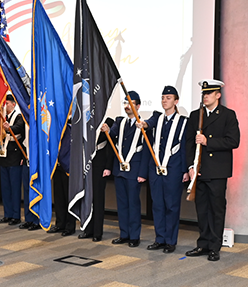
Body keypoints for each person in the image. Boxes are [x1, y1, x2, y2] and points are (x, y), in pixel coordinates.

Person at [184, 79, 240, 262]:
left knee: (216, 209)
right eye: (204, 93)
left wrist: (209, 142)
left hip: (217, 171)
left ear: (218, 95)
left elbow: (233, 141)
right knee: (202, 209)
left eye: (209, 93)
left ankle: (215, 246)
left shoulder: (227, 115)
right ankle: (203, 244)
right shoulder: (195, 116)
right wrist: (191, 167)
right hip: (200, 171)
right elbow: (188, 144)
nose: (205, 96)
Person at [140, 86, 189, 254]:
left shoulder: (183, 122)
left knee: (172, 206)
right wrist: (145, 124)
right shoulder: (157, 119)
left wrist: (184, 170)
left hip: (173, 169)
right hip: (156, 170)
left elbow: (184, 148)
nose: (164, 100)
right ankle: (159, 238)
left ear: (176, 101)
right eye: (163, 97)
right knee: (158, 206)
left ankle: (170, 241)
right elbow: (148, 124)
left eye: (168, 98)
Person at [102, 91, 147, 248]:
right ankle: (124, 234)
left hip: (134, 171)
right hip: (120, 170)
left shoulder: (144, 124)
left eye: (131, 103)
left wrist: (143, 173)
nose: (128, 106)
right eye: (126, 103)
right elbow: (111, 134)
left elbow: (146, 151)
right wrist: (106, 128)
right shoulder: (120, 122)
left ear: (138, 106)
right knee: (121, 204)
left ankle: (134, 236)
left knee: (133, 204)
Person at [80, 117, 114, 242]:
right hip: (86, 165)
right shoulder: (87, 120)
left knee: (98, 200)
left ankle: (97, 232)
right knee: (87, 199)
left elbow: (111, 146)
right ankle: (88, 229)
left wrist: (108, 166)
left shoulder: (109, 121)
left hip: (100, 167)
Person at [0, 95, 27, 227]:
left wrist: (9, 128)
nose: (4, 105)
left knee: (14, 188)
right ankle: (7, 214)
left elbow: (18, 129)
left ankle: (16, 215)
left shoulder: (19, 116)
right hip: (4, 156)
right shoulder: (2, 117)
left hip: (15, 156)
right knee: (5, 188)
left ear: (13, 104)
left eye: (6, 103)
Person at [50, 123, 76, 235]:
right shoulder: (55, 128)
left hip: (68, 166)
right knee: (58, 196)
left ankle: (70, 226)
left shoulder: (71, 127)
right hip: (57, 165)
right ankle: (60, 223)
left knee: (68, 197)